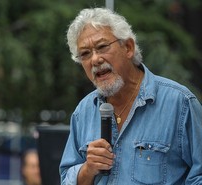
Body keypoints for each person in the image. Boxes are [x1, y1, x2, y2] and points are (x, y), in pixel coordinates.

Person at [59, 7, 202, 185]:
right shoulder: (83, 111)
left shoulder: (179, 103)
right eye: (85, 54)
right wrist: (87, 170)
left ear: (128, 47)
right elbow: (65, 179)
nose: (95, 60)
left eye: (102, 47)